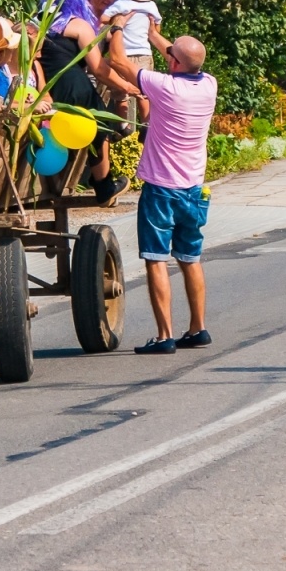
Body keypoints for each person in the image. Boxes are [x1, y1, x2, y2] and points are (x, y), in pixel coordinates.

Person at [106, 27, 216, 355]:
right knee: (190, 259)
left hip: (162, 190)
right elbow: (180, 52)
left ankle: (164, 334)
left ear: (175, 64)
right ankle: (198, 328)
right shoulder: (208, 84)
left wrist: (117, 27)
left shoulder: (164, 86)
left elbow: (118, 61)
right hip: (194, 189)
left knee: (156, 260)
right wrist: (153, 32)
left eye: (171, 56)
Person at [38, 0, 138, 205]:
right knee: (100, 129)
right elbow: (99, 69)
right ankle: (104, 187)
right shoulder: (78, 25)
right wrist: (126, 86)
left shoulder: (38, 21)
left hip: (48, 87)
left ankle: (55, 182)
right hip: (74, 84)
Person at [102, 0, 169, 125]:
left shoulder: (122, 5)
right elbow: (156, 28)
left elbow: (103, 19)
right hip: (145, 54)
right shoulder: (151, 6)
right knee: (144, 92)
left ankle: (123, 124)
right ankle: (146, 123)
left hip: (123, 55)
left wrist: (115, 23)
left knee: (122, 93)